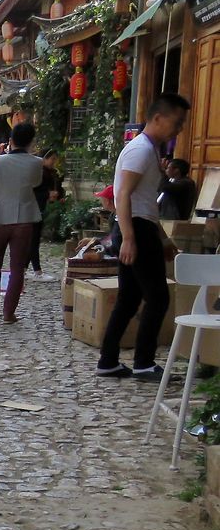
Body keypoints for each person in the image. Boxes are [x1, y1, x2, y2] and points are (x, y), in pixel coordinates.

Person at [96, 93, 189, 382]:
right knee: (158, 297)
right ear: (158, 118)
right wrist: (129, 238)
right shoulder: (141, 150)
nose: (179, 129)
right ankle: (144, 363)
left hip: (140, 226)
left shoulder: (148, 150)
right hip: (134, 227)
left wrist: (161, 237)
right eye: (177, 122)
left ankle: (109, 361)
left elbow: (144, 201)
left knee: (129, 298)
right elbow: (123, 194)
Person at [0, 122, 44, 324]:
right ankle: (9, 313)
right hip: (24, 218)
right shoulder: (37, 163)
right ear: (31, 141)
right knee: (17, 269)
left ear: (11, 140)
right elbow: (35, 184)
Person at [29, 149, 64, 280]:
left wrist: (59, 195)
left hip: (42, 208)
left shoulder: (51, 173)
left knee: (34, 239)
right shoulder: (37, 173)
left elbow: (57, 188)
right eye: (52, 159)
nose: (54, 162)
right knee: (33, 240)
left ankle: (24, 269)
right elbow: (32, 191)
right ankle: (37, 271)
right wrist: (47, 194)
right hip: (33, 208)